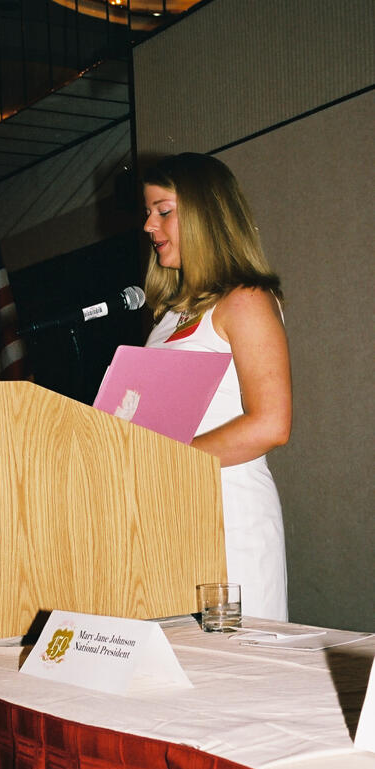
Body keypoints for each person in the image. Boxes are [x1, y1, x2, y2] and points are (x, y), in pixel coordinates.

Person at [143, 152, 292, 621]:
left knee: (235, 672)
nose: (149, 225)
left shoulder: (245, 301)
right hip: (170, 514)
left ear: (206, 213)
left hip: (231, 517)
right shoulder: (167, 318)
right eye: (148, 212)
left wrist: (170, 460)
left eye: (163, 211)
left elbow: (271, 424)